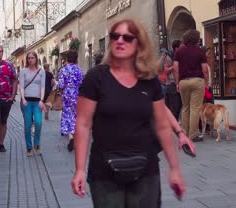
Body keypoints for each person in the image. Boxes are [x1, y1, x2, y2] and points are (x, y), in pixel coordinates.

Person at [71, 19, 186, 207]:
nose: (120, 40)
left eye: (127, 37)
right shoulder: (96, 77)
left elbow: (162, 125)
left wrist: (174, 169)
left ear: (139, 43)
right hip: (105, 170)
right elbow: (83, 124)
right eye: (115, 36)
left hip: (145, 169)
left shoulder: (149, 80)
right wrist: (80, 169)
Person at [174, 29, 209, 142]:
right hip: (197, 81)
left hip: (183, 81)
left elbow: (175, 68)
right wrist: (207, 82)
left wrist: (177, 82)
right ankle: (193, 135)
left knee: (185, 108)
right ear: (196, 39)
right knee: (195, 108)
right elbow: (204, 69)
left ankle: (184, 133)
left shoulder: (179, 51)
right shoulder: (200, 51)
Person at [19, 51, 46, 156]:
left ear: (36, 59)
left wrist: (42, 100)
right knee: (27, 125)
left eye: (32, 58)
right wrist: (23, 98)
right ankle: (29, 147)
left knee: (38, 123)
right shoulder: (23, 71)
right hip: (26, 101)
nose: (30, 60)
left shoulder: (41, 71)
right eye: (29, 58)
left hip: (37, 101)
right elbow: (21, 86)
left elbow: (42, 86)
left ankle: (37, 144)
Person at [57, 50, 83, 152]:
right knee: (77, 116)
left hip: (67, 95)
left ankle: (71, 137)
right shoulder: (79, 70)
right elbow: (82, 83)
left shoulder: (63, 70)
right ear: (76, 58)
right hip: (77, 94)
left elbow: (61, 85)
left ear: (67, 58)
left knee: (68, 115)